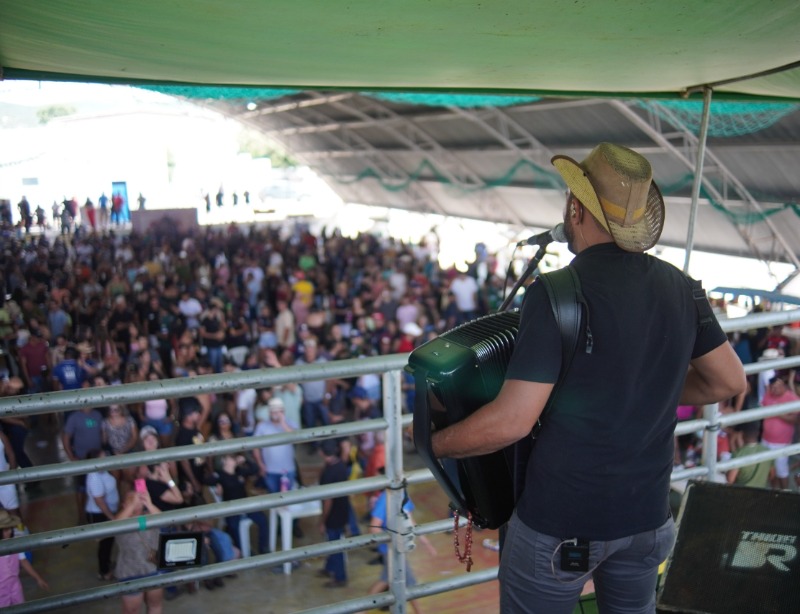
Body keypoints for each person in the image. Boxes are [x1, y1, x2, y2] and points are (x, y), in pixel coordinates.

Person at [430, 143, 746, 614]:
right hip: (647, 522)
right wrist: (643, 389)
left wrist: (433, 444)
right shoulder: (682, 287)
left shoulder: (556, 293)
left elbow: (512, 422)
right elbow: (728, 381)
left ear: (575, 208)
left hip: (561, 526)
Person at [317, 439, 351, 588]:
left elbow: (328, 501)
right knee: (334, 542)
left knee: (335, 545)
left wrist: (322, 520)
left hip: (333, 515)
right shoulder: (340, 466)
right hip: (343, 510)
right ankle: (329, 568)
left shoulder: (328, 473)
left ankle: (340, 577)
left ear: (321, 453)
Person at [85, 448, 121, 580]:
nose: (105, 459)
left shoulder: (103, 471)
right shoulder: (94, 476)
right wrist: (111, 517)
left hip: (107, 511)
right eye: (102, 458)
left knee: (109, 542)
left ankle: (106, 564)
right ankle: (104, 572)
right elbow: (99, 500)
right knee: (105, 544)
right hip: (99, 513)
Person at [0, 509, 48, 607]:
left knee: (20, 607)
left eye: (10, 528)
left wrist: (38, 578)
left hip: (15, 586)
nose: (9, 532)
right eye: (5, 530)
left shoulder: (15, 544)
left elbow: (24, 562)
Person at [760, 376, 799, 490]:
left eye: (777, 387)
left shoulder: (792, 398)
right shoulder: (768, 395)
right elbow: (763, 410)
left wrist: (778, 412)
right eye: (772, 387)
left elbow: (796, 420)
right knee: (769, 468)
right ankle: (774, 491)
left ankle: (785, 492)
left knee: (782, 470)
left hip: (781, 442)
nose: (774, 390)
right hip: (765, 439)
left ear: (783, 386)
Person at [726, 421, 774, 488]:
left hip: (743, 492)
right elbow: (772, 475)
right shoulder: (767, 451)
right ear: (758, 433)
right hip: (761, 490)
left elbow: (730, 480)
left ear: (742, 434)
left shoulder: (739, 454)